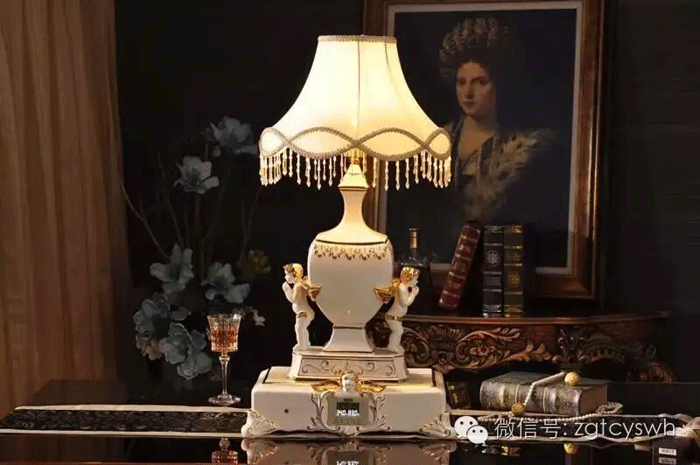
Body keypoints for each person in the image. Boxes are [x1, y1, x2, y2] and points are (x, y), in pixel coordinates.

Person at [437, 17, 569, 263]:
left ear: (498, 85)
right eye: (461, 82)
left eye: (480, 82)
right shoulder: (436, 142)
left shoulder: (524, 151)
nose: (468, 93)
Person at [282, 263, 321, 351]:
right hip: (302, 312)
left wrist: (286, 289)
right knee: (301, 328)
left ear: (295, 274)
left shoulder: (298, 286)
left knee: (299, 328)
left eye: (287, 274)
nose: (285, 277)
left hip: (304, 312)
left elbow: (293, 299)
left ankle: (302, 345)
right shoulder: (298, 285)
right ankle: (305, 344)